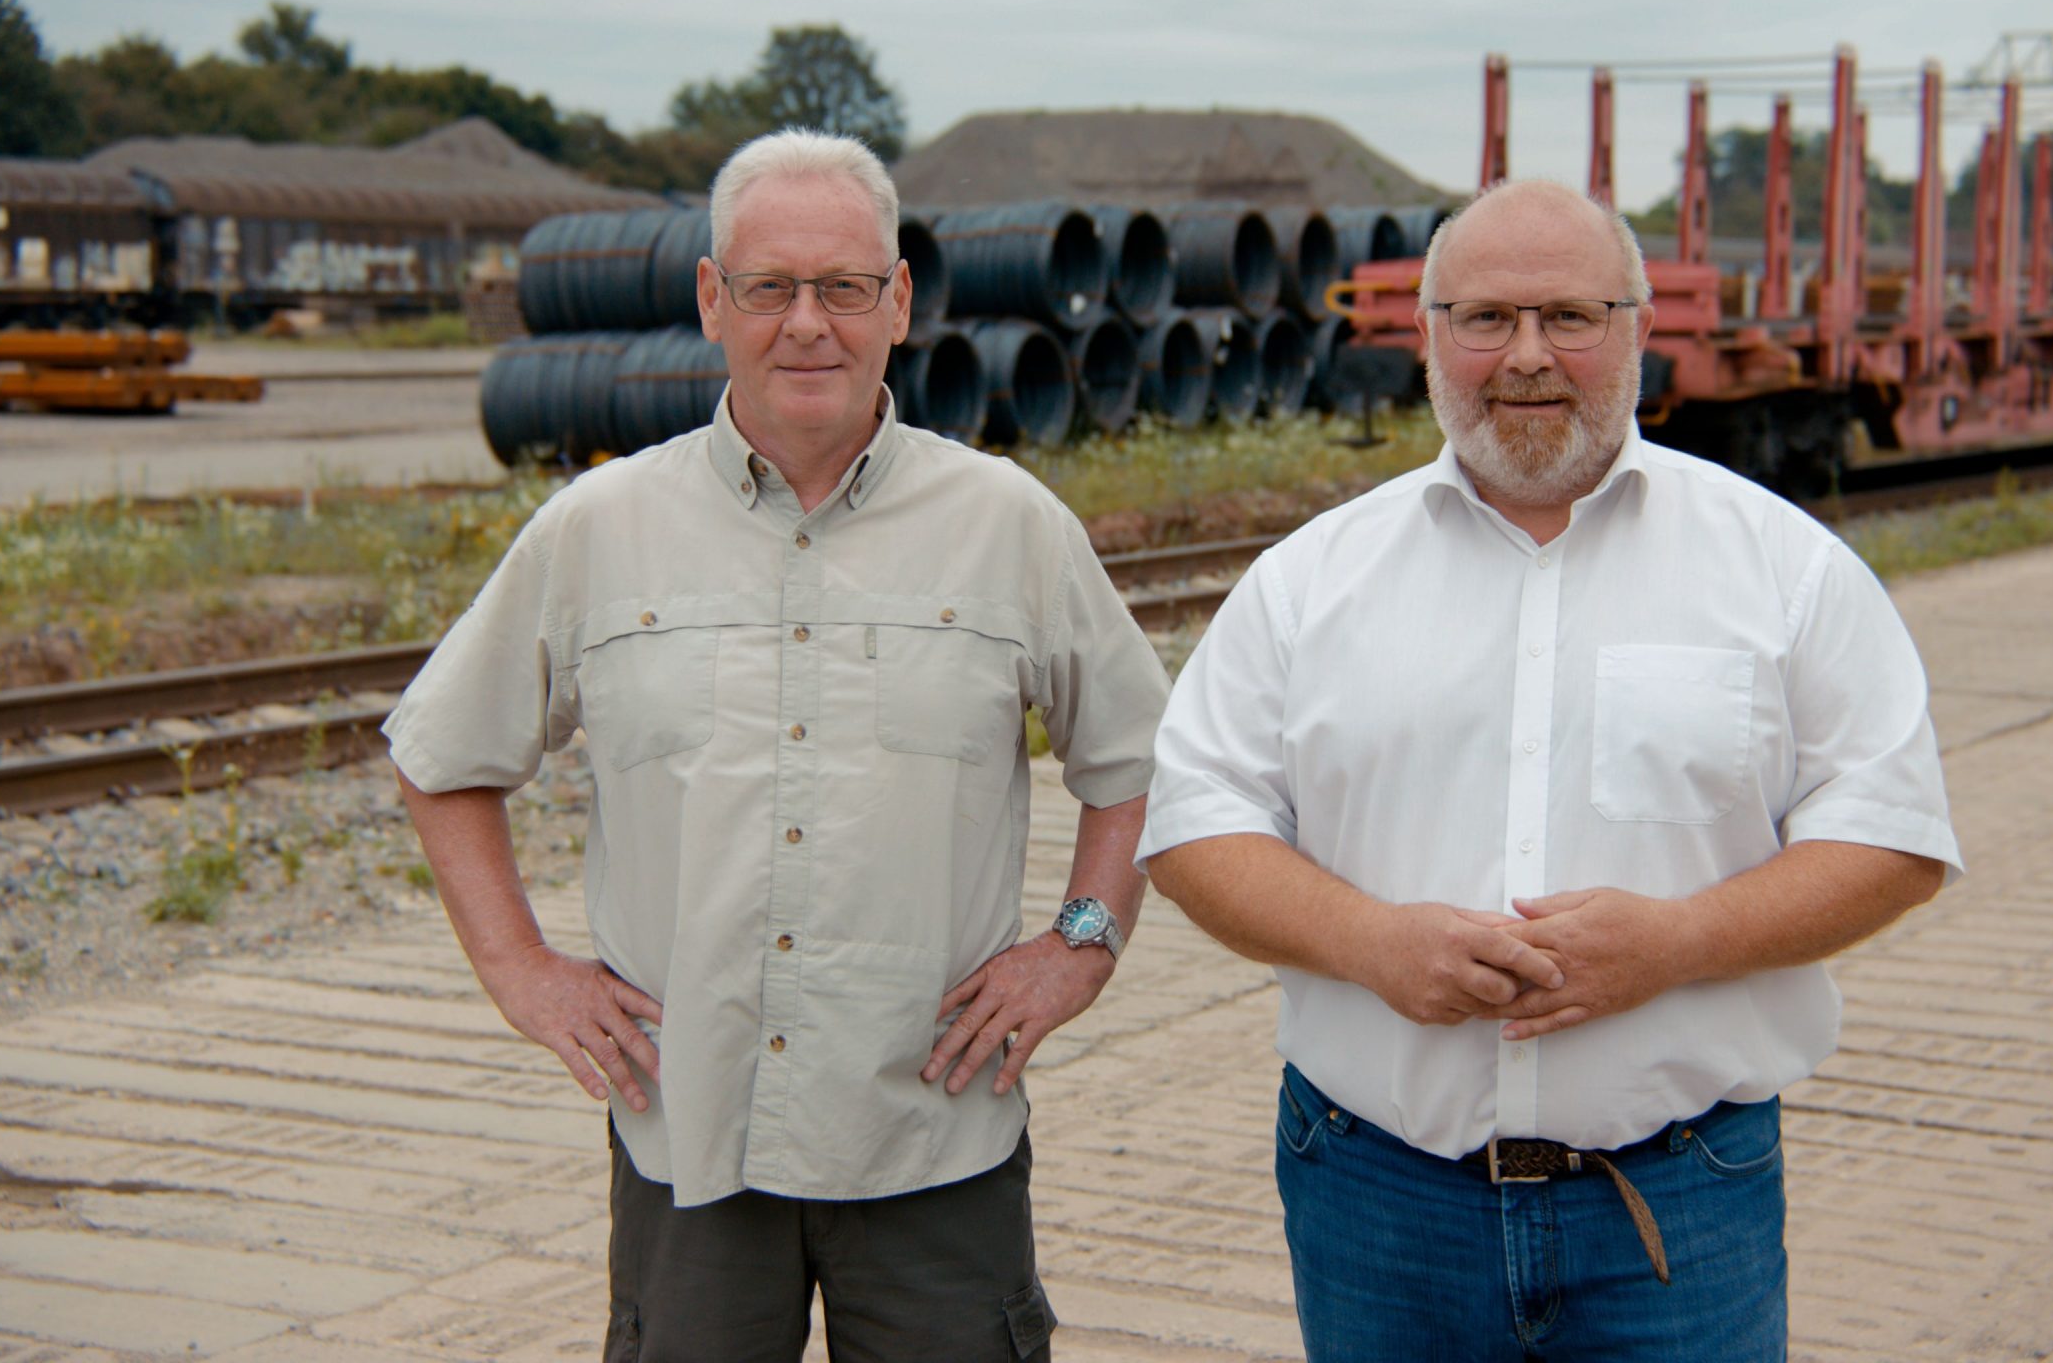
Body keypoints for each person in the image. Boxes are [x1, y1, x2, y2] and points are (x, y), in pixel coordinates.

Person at [1137, 177, 1961, 1362]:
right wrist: (1374, 946)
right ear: (1425, 337)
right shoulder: (1309, 582)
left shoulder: (1784, 569)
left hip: (1678, 1199)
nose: (1526, 356)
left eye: (1570, 317)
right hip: (1381, 1199)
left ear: (1636, 328)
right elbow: (1195, 824)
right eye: (1483, 319)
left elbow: (1891, 837)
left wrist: (1678, 945)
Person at [385, 127, 1170, 1363]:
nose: (809, 324)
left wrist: (1078, 946)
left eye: (846, 288)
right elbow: (441, 757)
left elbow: (1140, 761)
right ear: (713, 300)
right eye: (769, 288)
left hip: (933, 1135)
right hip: (687, 1139)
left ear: (899, 301)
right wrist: (519, 969)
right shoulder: (599, 527)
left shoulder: (1008, 525)